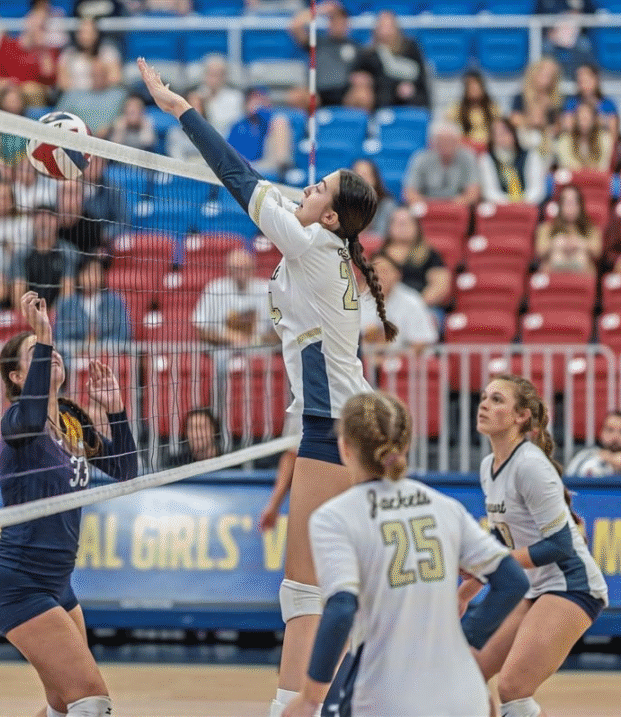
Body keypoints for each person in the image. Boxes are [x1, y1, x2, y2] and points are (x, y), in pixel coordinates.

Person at [138, 57, 396, 716]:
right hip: (341, 422)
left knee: (307, 584)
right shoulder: (324, 248)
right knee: (317, 581)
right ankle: (317, 698)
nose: (305, 190)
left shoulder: (311, 247)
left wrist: (178, 108)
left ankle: (301, 702)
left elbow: (236, 174)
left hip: (335, 426)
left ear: (334, 218)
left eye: (317, 188)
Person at [281, 392, 529, 717]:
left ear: (345, 448)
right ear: (406, 445)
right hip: (463, 697)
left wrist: (311, 697)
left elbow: (341, 609)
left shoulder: (336, 516)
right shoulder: (444, 506)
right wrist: (466, 638)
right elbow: (512, 581)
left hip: (387, 697)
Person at [0, 291, 137, 717]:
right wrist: (44, 334)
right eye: (35, 352)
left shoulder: (70, 419)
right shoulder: (17, 422)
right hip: (19, 585)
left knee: (63, 705)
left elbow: (126, 471)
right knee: (93, 701)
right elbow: (33, 418)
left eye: (50, 350)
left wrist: (117, 410)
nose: (49, 354)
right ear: (17, 377)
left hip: (59, 586)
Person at [465, 375, 608, 717]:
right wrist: (467, 585)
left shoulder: (529, 465)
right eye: (484, 397)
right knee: (468, 673)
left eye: (497, 399)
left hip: (573, 585)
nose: (484, 404)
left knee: (513, 688)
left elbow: (559, 546)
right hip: (534, 587)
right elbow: (504, 537)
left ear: (521, 416)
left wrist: (492, 562)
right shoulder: (489, 466)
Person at [192, 248, 276, 349]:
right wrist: (229, 338)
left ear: (253, 268)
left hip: (260, 352)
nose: (241, 273)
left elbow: (281, 331)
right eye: (236, 269)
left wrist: (255, 339)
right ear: (228, 269)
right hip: (222, 350)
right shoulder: (215, 289)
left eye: (246, 268)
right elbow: (202, 330)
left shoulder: (267, 290)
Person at [360, 252, 438, 354]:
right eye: (374, 271)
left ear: (398, 274)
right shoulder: (359, 300)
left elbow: (421, 342)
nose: (379, 277)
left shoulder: (412, 301)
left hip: (404, 362)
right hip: (366, 362)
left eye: (384, 271)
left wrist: (389, 360)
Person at [379, 206, 451, 314]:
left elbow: (440, 285)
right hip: (385, 307)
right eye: (398, 223)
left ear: (417, 227)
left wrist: (416, 305)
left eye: (406, 223)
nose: (402, 227)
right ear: (389, 226)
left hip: (423, 307)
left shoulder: (430, 254)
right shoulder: (380, 255)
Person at [351, 10, 429, 109]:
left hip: (407, 99)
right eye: (382, 26)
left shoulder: (409, 48)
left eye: (389, 26)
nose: (385, 31)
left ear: (396, 28)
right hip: (379, 100)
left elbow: (420, 77)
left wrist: (411, 87)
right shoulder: (369, 54)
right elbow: (356, 73)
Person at [289, 2, 358, 108]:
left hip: (345, 93)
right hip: (318, 92)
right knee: (296, 96)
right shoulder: (317, 42)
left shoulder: (355, 46)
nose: (338, 24)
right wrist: (320, 9)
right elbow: (295, 26)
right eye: (334, 20)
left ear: (347, 23)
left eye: (341, 20)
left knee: (362, 95)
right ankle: (306, 124)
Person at [53, 257, 130, 347]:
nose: (91, 277)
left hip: (108, 356)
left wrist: (101, 348)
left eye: (95, 272)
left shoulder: (114, 302)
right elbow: (60, 337)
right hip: (73, 356)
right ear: (79, 275)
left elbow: (123, 334)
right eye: (87, 272)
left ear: (102, 276)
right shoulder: (66, 304)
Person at [10, 207, 78, 307]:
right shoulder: (21, 255)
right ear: (33, 222)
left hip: (58, 316)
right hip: (29, 314)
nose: (44, 223)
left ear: (58, 222)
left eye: (49, 217)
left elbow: (67, 296)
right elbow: (18, 298)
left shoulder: (68, 252)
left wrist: (50, 318)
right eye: (40, 217)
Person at [403, 120, 481, 206]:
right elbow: (409, 193)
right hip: (427, 205)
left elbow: (473, 193)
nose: (445, 145)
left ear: (458, 142)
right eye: (440, 141)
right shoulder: (421, 158)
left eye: (449, 141)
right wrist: (430, 205)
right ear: (433, 143)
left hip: (458, 206)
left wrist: (450, 206)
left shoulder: (467, 157)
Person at [478, 117, 549, 206]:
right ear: (492, 137)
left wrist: (524, 201)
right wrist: (509, 203)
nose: (503, 137)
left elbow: (538, 189)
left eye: (506, 132)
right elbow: (489, 191)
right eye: (497, 134)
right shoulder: (486, 159)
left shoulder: (530, 155)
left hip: (528, 205)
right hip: (500, 207)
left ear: (514, 133)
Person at [534, 184, 601, 275]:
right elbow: (540, 251)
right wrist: (556, 243)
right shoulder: (547, 228)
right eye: (566, 203)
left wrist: (580, 243)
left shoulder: (591, 229)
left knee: (583, 257)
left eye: (573, 202)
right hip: (553, 270)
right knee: (552, 259)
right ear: (560, 205)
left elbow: (597, 252)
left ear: (580, 205)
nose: (570, 207)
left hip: (582, 271)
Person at [565, 411, 621, 477]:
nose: (615, 437)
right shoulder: (584, 456)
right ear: (601, 433)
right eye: (610, 430)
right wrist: (610, 459)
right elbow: (567, 485)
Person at [446, 70, 501, 150]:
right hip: (466, 148)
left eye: (476, 84)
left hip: (489, 148)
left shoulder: (493, 108)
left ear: (482, 86)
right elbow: (451, 133)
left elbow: (498, 131)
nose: (473, 88)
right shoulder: (456, 109)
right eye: (470, 85)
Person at [555, 100, 613, 172]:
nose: (584, 122)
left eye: (587, 118)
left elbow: (603, 167)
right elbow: (565, 165)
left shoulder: (604, 138)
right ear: (575, 119)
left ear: (594, 120)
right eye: (581, 118)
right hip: (573, 181)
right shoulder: (565, 139)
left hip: (596, 180)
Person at [351, 158, 393, 237]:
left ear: (375, 179)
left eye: (366, 175)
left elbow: (381, 236)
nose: (361, 179)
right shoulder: (341, 204)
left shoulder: (387, 205)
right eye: (357, 175)